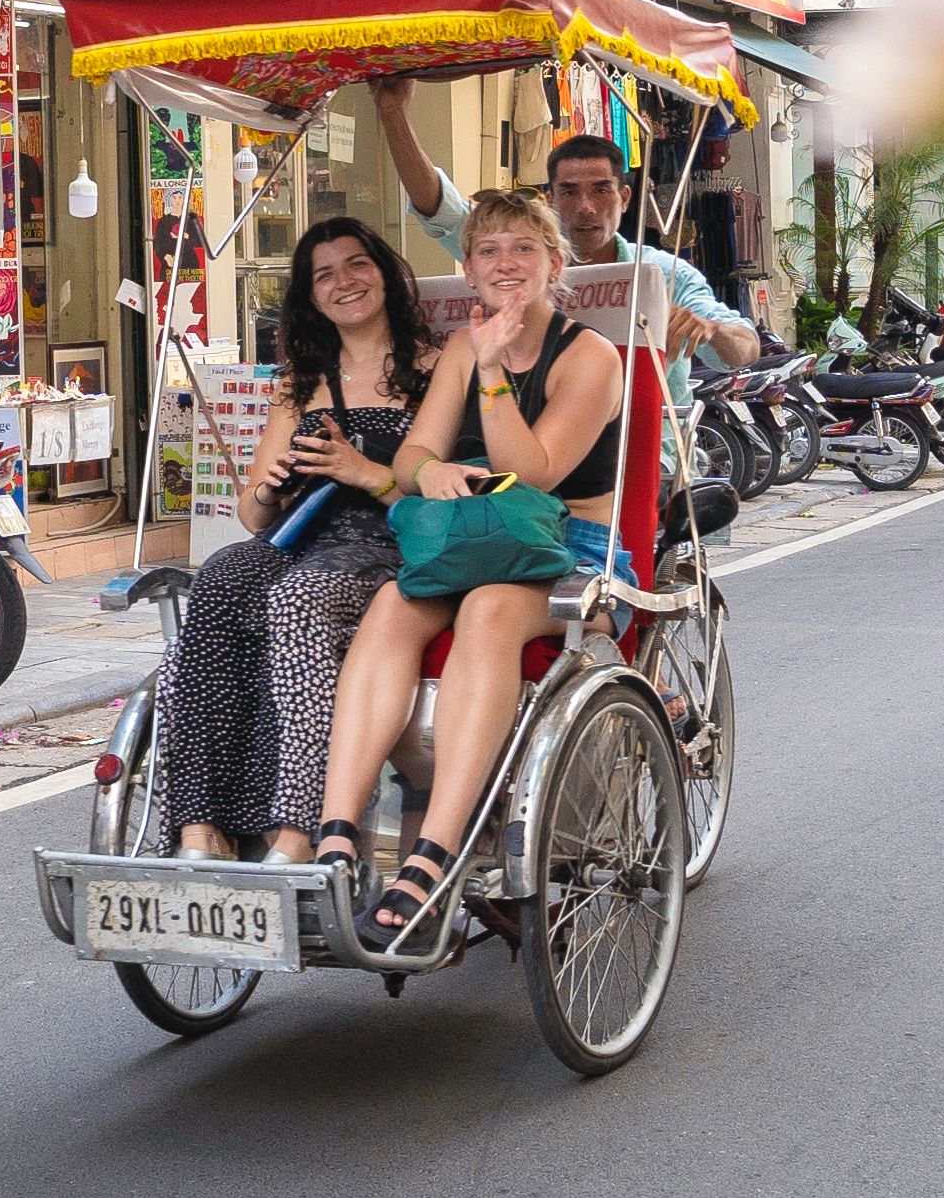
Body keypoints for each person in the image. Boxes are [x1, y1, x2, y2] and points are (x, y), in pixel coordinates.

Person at [312, 188, 624, 956]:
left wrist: (490, 376)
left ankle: (436, 851)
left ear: (555, 264)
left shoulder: (589, 355)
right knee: (390, 604)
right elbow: (412, 455)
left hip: (569, 548)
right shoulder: (464, 345)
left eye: (524, 248)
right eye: (489, 250)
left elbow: (536, 472)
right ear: (468, 267)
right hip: (470, 537)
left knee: (487, 610)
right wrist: (434, 473)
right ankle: (336, 836)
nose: (506, 263)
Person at [156, 218, 431, 863]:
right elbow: (255, 516)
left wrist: (361, 470)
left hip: (387, 540)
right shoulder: (300, 384)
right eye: (325, 275)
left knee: (297, 601)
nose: (345, 283)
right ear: (311, 296)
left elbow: (439, 486)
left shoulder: (435, 368)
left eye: (357, 264)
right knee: (221, 577)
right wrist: (271, 489)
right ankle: (199, 824)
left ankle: (297, 829)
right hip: (300, 533)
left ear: (384, 273)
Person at [369, 79, 757, 415]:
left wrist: (712, 330)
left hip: (642, 454)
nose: (586, 207)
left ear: (624, 197)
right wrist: (393, 113)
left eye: (601, 190)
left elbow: (745, 349)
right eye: (570, 192)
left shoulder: (665, 274)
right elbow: (443, 210)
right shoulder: (521, 265)